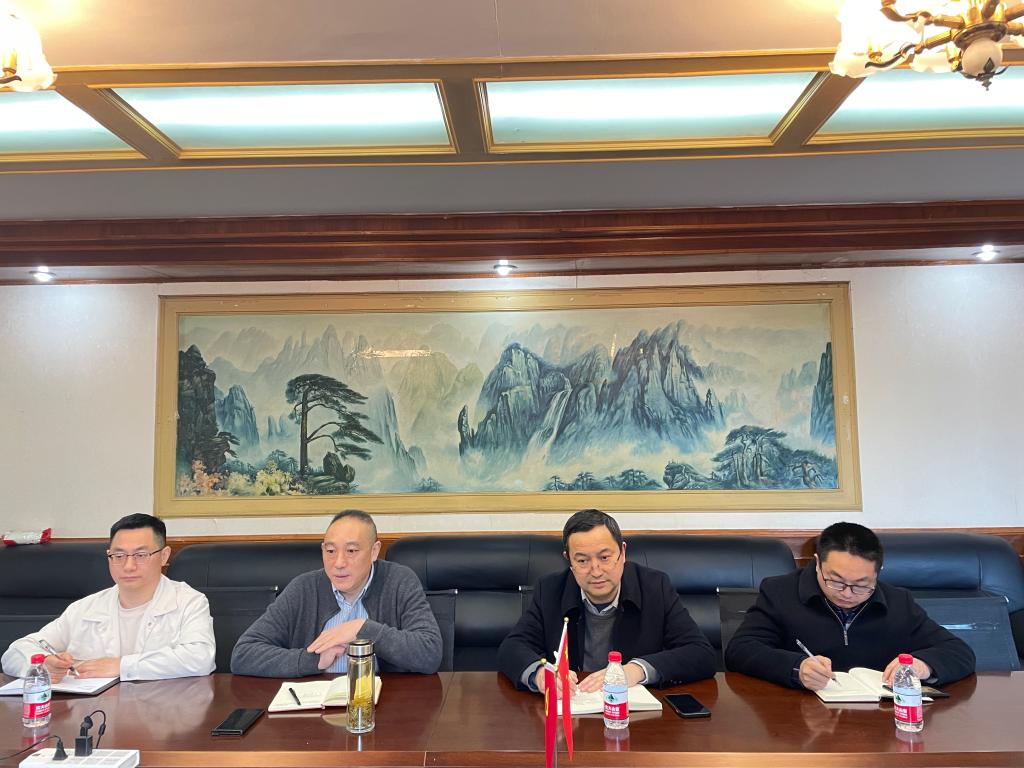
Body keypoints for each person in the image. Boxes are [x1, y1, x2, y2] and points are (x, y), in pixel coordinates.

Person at [725, 521, 976, 689]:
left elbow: (959, 651)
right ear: (817, 563)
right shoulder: (780, 592)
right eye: (836, 581)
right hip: (800, 718)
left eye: (862, 584)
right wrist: (796, 668)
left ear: (877, 573)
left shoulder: (898, 602)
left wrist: (922, 665)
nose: (847, 594)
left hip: (879, 721)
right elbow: (740, 650)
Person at [497, 509, 716, 694]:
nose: (596, 571)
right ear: (569, 560)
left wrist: (634, 671)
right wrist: (540, 675)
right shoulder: (550, 589)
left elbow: (701, 653)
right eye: (582, 560)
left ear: (622, 552)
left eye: (604, 557)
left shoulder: (654, 586)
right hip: (574, 710)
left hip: (633, 714)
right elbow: (512, 647)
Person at [1, 513, 215, 680]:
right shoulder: (85, 608)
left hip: (163, 714)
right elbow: (14, 653)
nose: (128, 566)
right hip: (94, 714)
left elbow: (200, 658)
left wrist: (121, 666)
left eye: (141, 555)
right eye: (118, 555)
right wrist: (44, 663)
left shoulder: (188, 601)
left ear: (164, 556)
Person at [231, 509, 442, 677]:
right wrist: (313, 660)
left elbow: (430, 653)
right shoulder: (304, 588)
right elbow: (243, 654)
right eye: (330, 551)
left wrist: (362, 629)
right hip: (315, 708)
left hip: (383, 704)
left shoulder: (399, 581)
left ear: (374, 551)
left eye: (351, 551)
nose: (339, 563)